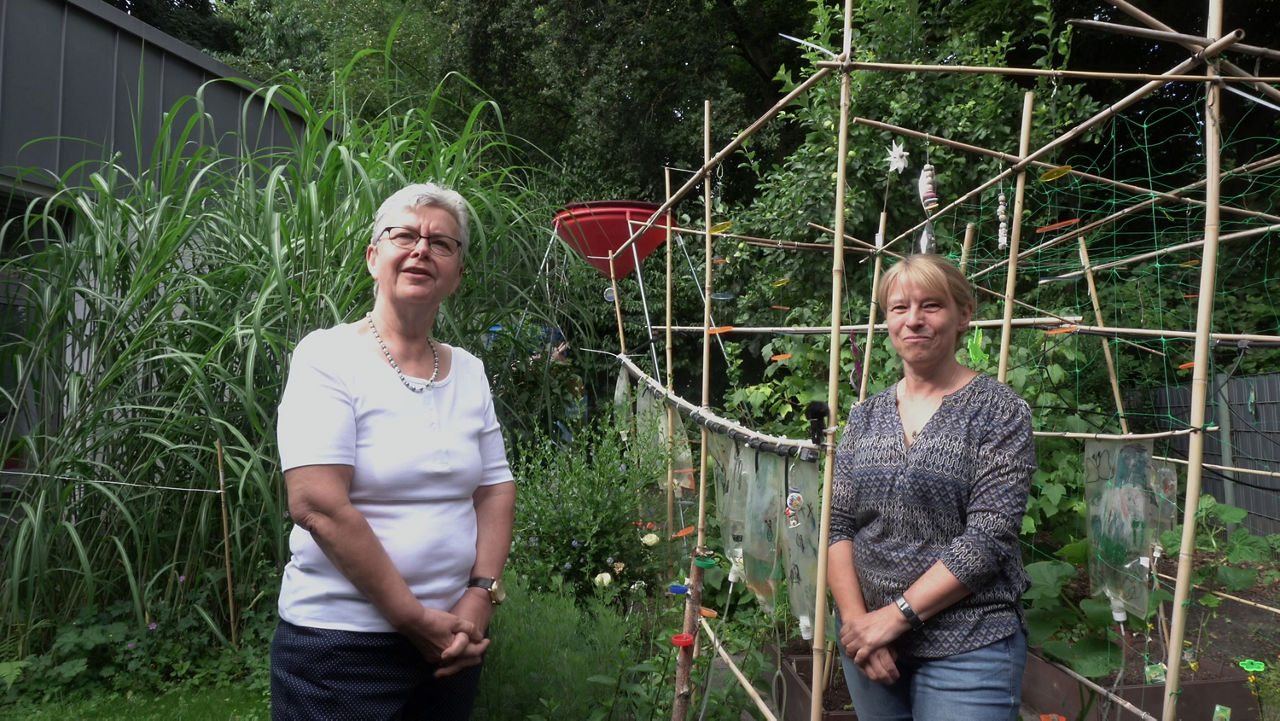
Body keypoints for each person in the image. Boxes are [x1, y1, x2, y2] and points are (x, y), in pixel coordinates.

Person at [271, 182, 516, 720]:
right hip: (340, 648)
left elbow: (495, 487)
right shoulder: (327, 357)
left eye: (442, 243)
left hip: (452, 641)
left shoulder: (470, 371)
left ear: (456, 275)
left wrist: (478, 599)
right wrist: (411, 619)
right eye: (404, 235)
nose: (421, 249)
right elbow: (316, 504)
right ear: (373, 257)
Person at [828, 253, 1036, 721]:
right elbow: (837, 526)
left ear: (963, 315)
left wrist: (893, 617)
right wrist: (860, 624)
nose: (914, 320)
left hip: (970, 642)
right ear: (887, 322)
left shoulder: (998, 412)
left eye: (931, 306)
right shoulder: (864, 418)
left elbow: (988, 540)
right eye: (899, 308)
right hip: (870, 647)